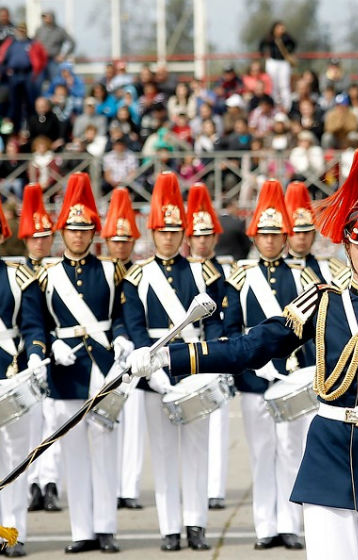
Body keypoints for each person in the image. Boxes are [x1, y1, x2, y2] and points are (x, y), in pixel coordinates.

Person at [128, 146, 358, 560]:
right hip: (327, 458)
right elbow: (251, 348)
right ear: (347, 246)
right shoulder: (321, 301)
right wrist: (167, 357)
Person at [120, 172, 222, 551]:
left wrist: (208, 369)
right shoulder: (138, 276)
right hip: (154, 376)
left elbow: (215, 327)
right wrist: (152, 370)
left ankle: (196, 525)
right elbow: (134, 327)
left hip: (195, 371)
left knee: (197, 453)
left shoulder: (203, 272)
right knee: (163, 456)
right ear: (152, 233)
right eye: (161, 231)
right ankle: (169, 529)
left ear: (184, 233)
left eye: (174, 230)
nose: (168, 237)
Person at [38, 173, 130, 553]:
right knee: (73, 452)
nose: (78, 236)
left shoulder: (111, 271)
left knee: (105, 449)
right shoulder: (47, 276)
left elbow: (123, 315)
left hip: (102, 366)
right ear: (64, 231)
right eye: (72, 229)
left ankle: (106, 527)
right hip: (66, 369)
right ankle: (81, 531)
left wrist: (123, 336)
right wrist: (49, 346)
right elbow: (38, 323)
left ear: (94, 232)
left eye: (85, 229)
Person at [222, 179, 313, 550]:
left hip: (290, 377)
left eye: (277, 234)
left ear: (286, 236)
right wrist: (249, 364)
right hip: (253, 380)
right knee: (262, 453)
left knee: (292, 452)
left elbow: (312, 331)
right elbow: (230, 330)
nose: (271, 241)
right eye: (265, 234)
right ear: (255, 237)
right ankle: (265, 526)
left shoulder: (301, 276)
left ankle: (290, 523)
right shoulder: (240, 278)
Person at [0, 196, 47, 558]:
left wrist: (34, 354)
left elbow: (33, 325)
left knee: (16, 460)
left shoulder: (19, 277)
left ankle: (12, 532)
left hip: (12, 378)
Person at [183, 183, 231, 512]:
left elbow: (225, 316)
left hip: (213, 349)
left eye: (207, 236)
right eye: (197, 236)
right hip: (188, 351)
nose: (202, 241)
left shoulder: (219, 272)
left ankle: (215, 487)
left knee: (218, 422)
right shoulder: (183, 271)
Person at [100, 187, 146, 512]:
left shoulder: (138, 273)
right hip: (103, 354)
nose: (120, 245)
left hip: (138, 354)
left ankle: (128, 486)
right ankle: (109, 484)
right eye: (115, 240)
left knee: (134, 424)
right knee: (103, 425)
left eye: (125, 240)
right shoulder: (100, 272)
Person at [18, 184, 61, 515]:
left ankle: (50, 483)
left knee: (53, 423)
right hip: (24, 358)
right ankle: (31, 482)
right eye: (34, 237)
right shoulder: (17, 274)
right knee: (27, 427)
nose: (39, 242)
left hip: (57, 355)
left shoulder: (54, 272)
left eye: (44, 237)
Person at [284, 180, 345, 283]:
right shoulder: (281, 268)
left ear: (313, 234)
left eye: (306, 232)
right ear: (287, 235)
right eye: (297, 233)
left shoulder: (329, 267)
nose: (302, 237)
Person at [259, 21, 296, 111]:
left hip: (283, 62)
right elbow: (261, 46)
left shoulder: (286, 38)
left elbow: (293, 44)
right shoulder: (270, 38)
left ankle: (287, 106)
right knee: (273, 85)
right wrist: (264, 54)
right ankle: (274, 105)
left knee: (284, 85)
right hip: (273, 62)